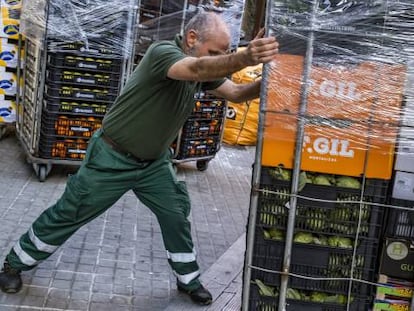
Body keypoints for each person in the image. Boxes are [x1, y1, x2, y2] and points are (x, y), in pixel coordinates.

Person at [0, 11, 278, 305]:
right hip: (112, 158)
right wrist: (244, 58)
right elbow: (196, 69)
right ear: (191, 39)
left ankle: (189, 280)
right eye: (215, 52)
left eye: (223, 54)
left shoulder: (203, 67)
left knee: (175, 214)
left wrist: (269, 79)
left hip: (154, 164)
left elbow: (235, 92)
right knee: (71, 212)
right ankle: (14, 264)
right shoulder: (163, 54)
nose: (219, 58)